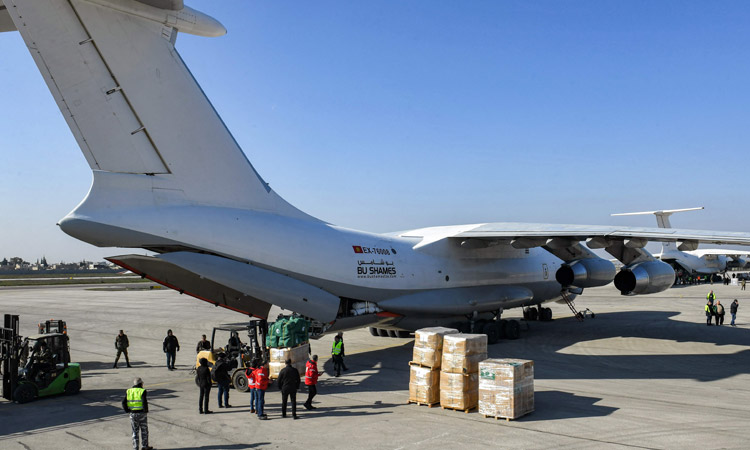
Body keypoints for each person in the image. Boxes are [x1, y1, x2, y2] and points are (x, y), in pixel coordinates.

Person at [122, 377, 154, 450]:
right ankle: (144, 446)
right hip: (141, 413)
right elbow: (144, 401)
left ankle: (135, 448)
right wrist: (146, 410)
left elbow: (123, 402)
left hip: (132, 414)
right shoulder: (142, 391)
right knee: (144, 430)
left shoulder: (129, 391)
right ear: (140, 383)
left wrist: (127, 410)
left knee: (134, 431)